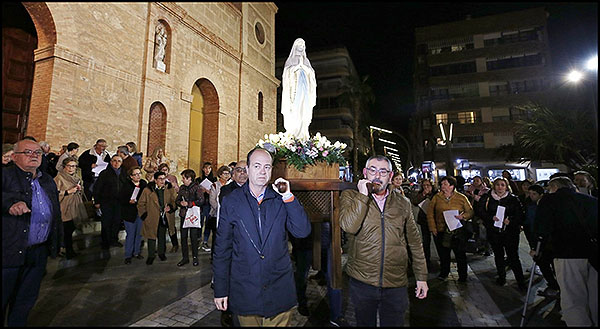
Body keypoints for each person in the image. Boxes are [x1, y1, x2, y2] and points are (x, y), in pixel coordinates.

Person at [213, 148, 311, 326]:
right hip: (246, 290)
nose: (262, 171)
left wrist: (288, 196)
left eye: (267, 167)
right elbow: (222, 248)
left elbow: (302, 231)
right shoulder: (232, 201)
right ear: (248, 169)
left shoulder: (281, 198)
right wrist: (220, 289)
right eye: (257, 166)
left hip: (279, 288)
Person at [340, 155, 428, 327]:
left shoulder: (403, 203)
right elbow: (348, 226)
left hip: (395, 282)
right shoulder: (351, 196)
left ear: (390, 176)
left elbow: (415, 242)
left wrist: (421, 277)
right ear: (365, 173)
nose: (377, 176)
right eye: (372, 170)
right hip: (362, 280)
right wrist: (363, 196)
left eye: (383, 172)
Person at [2, 139, 61, 326]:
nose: (34, 155)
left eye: (38, 152)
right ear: (14, 157)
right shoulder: (6, 175)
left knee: (25, 301)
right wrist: (9, 204)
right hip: (9, 251)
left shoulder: (47, 180)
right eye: (28, 152)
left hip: (37, 252)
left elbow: (55, 212)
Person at [534, 177, 598, 326]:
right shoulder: (591, 200)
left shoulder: (549, 201)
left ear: (554, 187)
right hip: (593, 254)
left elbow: (542, 229)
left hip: (567, 253)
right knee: (594, 296)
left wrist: (539, 249)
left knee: (573, 297)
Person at [476, 177, 527, 290]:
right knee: (498, 255)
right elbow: (480, 211)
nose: (500, 187)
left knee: (513, 256)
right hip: (494, 232)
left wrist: (511, 221)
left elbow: (520, 214)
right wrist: (490, 218)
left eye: (502, 185)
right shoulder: (487, 198)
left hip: (510, 232)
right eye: (498, 184)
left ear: (506, 186)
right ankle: (501, 277)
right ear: (494, 186)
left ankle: (520, 280)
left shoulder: (513, 199)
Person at [217, 160, 247, 327]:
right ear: (233, 174)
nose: (242, 173)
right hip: (231, 239)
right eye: (238, 170)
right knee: (228, 275)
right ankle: (226, 312)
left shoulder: (255, 189)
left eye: (245, 170)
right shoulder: (226, 190)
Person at [427, 175, 474, 282]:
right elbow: (430, 214)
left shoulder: (461, 198)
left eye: (445, 184)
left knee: (460, 254)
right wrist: (432, 228)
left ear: (452, 186)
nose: (442, 186)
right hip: (441, 230)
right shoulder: (436, 197)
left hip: (457, 230)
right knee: (443, 254)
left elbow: (470, 212)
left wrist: (463, 216)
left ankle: (462, 275)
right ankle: (444, 273)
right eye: (442, 184)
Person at [525, 184, 560, 298]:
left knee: (551, 265)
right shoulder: (530, 206)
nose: (531, 196)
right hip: (536, 239)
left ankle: (557, 287)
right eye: (529, 194)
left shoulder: (546, 206)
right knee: (543, 264)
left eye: (534, 194)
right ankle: (553, 285)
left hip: (547, 242)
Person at [138, 171, 177, 265]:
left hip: (164, 216)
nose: (162, 181)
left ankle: (161, 253)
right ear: (155, 180)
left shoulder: (169, 189)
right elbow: (141, 203)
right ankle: (151, 255)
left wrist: (171, 207)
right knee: (151, 237)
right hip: (152, 216)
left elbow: (174, 201)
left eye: (164, 178)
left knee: (162, 235)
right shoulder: (148, 190)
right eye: (160, 179)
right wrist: (144, 215)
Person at [281, 38, 317, 141]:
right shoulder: (291, 60)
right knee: (295, 111)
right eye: (299, 43)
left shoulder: (306, 60)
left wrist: (304, 68)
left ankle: (303, 133)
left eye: (303, 44)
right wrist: (296, 68)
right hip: (294, 91)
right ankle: (295, 134)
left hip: (305, 89)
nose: (301, 45)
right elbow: (286, 73)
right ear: (295, 46)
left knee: (304, 111)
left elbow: (312, 75)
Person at [54, 156, 88, 259]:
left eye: (74, 166)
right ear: (64, 166)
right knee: (66, 231)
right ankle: (67, 251)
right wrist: (67, 192)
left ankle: (68, 250)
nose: (71, 169)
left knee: (71, 229)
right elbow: (54, 194)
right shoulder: (59, 178)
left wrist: (79, 188)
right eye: (69, 166)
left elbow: (81, 191)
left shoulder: (77, 177)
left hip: (75, 206)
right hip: (65, 208)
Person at [93, 154, 126, 249]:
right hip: (107, 202)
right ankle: (105, 242)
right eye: (114, 161)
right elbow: (97, 188)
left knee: (117, 222)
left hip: (119, 202)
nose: (116, 163)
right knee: (106, 222)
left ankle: (114, 240)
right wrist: (97, 201)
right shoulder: (104, 173)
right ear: (111, 162)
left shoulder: (124, 173)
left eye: (119, 161)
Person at [175, 169, 204, 267]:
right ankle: (185, 258)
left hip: (193, 215)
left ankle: (195, 257)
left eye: (184, 178)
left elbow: (201, 200)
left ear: (190, 178)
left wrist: (189, 203)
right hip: (184, 214)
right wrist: (180, 203)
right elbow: (177, 200)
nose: (182, 180)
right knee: (183, 237)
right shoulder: (182, 188)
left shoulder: (197, 187)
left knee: (193, 237)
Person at [120, 166, 147, 264]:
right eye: (135, 174)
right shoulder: (126, 186)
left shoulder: (144, 184)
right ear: (131, 176)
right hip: (129, 213)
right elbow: (121, 199)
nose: (138, 176)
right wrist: (128, 201)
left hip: (140, 212)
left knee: (139, 234)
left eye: (139, 173)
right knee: (130, 234)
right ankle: (128, 255)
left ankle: (136, 252)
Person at [410, 178, 437, 269]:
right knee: (426, 241)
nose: (426, 187)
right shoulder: (421, 193)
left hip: (435, 220)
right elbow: (414, 202)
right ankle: (427, 260)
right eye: (424, 185)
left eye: (428, 185)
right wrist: (423, 194)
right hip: (424, 220)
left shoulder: (436, 194)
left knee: (438, 241)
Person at [465, 176, 491, 256]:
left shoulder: (486, 191)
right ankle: (479, 247)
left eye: (477, 180)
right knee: (476, 230)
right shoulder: (471, 189)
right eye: (474, 180)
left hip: (483, 213)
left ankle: (487, 248)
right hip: (474, 212)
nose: (475, 182)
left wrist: (474, 196)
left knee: (483, 231)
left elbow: (482, 201)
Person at [158, 162, 179, 253]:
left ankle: (175, 245)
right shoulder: (157, 180)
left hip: (169, 208)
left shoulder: (172, 179)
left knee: (171, 228)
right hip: (160, 209)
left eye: (166, 170)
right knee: (160, 228)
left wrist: (171, 207)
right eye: (162, 170)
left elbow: (175, 194)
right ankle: (161, 247)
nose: (164, 172)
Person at [197, 162, 216, 252]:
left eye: (209, 168)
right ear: (203, 169)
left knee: (208, 223)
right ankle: (198, 239)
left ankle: (205, 241)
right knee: (199, 223)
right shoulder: (198, 179)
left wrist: (209, 192)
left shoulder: (214, 180)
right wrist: (201, 190)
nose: (207, 170)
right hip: (200, 204)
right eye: (205, 168)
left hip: (210, 204)